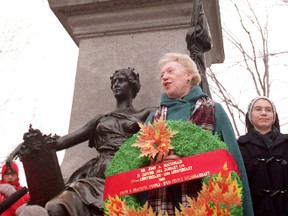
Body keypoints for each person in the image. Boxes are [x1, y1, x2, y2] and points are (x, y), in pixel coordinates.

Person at [140, 52, 254, 215]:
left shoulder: (214, 110)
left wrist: (187, 165)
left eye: (170, 71)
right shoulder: (154, 118)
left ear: (189, 75)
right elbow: (140, 168)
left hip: (206, 203)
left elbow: (232, 162)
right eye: (162, 74)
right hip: (161, 204)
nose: (164, 77)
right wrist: (155, 164)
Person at [41, 68, 156, 215]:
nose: (116, 84)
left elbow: (170, 133)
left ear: (132, 85)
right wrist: (32, 143)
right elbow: (62, 142)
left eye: (121, 80)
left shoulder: (146, 114)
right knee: (56, 206)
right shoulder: (100, 119)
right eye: (114, 81)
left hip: (127, 178)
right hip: (95, 178)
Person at [238, 96, 288, 216]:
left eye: (268, 110)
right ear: (250, 115)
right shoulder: (240, 146)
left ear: (274, 115)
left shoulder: (287, 143)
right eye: (258, 109)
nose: (264, 113)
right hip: (255, 211)